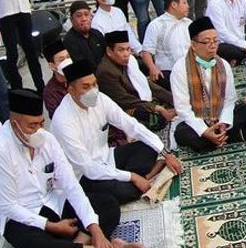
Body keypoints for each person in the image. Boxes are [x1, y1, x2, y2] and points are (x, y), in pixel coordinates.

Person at [0, 88, 151, 248]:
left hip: (54, 201)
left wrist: (95, 229)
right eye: (32, 126)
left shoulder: (46, 140)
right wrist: (50, 226)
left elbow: (71, 185)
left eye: (40, 124)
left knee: (107, 205)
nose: (38, 130)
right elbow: (7, 206)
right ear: (15, 125)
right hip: (24, 215)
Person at [52, 62, 181, 205]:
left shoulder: (100, 98)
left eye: (95, 84)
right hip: (85, 175)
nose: (92, 90)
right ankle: (144, 176)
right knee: (126, 192)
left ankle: (142, 176)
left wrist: (165, 152)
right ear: (71, 90)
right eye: (86, 87)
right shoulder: (63, 122)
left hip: (108, 157)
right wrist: (132, 177)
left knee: (149, 146)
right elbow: (88, 167)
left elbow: (130, 124)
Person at [170, 17, 246, 153]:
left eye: (215, 41)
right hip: (197, 119)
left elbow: (229, 100)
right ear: (194, 45)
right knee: (182, 133)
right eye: (206, 41)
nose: (213, 45)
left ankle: (218, 138)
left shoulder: (223, 65)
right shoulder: (180, 68)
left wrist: (224, 122)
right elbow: (183, 109)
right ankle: (226, 137)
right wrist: (204, 131)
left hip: (219, 115)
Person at [95, 30, 176, 128]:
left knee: (163, 80)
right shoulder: (106, 71)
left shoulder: (128, 62)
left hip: (136, 98)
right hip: (123, 106)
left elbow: (145, 84)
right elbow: (123, 99)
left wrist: (172, 98)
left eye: (128, 49)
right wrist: (155, 107)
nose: (126, 54)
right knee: (157, 120)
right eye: (121, 50)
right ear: (109, 51)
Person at [140, 0, 192, 86]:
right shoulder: (156, 24)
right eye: (184, 3)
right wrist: (152, 68)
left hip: (191, 69)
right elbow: (146, 51)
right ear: (174, 5)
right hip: (168, 71)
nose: (188, 6)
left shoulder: (189, 23)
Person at [63, 0, 106, 67]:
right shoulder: (69, 41)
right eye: (79, 16)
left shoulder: (97, 34)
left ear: (91, 16)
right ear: (71, 19)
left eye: (86, 14)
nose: (84, 19)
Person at [42, 39, 72, 117]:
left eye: (68, 57)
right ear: (53, 66)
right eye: (61, 60)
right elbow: (58, 119)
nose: (67, 62)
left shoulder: (80, 75)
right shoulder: (50, 93)